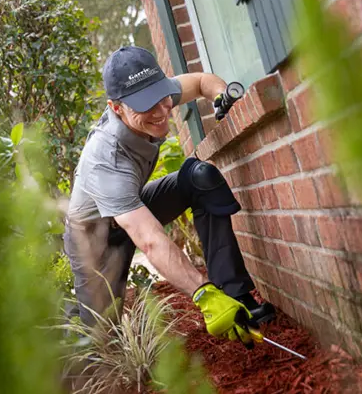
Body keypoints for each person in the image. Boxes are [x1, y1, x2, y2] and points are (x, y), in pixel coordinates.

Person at [64, 46, 275, 346]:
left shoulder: (155, 97)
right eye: (146, 104)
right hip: (94, 239)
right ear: (116, 108)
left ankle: (237, 296)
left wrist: (221, 96)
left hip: (131, 208)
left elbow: (202, 81)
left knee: (199, 178)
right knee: (100, 342)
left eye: (161, 97)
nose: (162, 111)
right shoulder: (105, 157)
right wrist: (203, 294)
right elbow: (149, 239)